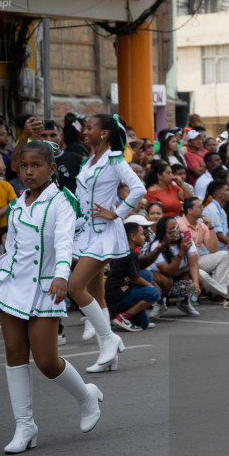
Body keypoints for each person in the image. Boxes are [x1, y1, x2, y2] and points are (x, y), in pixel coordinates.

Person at [0, 140, 103, 453]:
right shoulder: (16, 204)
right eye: (24, 166)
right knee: (14, 356)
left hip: (45, 287)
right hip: (13, 287)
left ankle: (86, 396)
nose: (29, 172)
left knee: (46, 362)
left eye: (37, 166)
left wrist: (61, 275)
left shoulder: (62, 201)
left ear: (52, 169)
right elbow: (13, 253)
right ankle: (25, 426)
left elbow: (64, 242)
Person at [68, 114, 146, 373]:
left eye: (90, 127)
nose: (85, 130)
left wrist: (118, 212)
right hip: (87, 232)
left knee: (75, 286)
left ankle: (110, 338)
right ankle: (108, 354)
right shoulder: (88, 161)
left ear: (104, 133)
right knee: (96, 292)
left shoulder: (114, 160)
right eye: (85, 127)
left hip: (105, 233)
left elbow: (138, 189)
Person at [104, 222, 161, 340]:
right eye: (141, 234)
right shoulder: (131, 254)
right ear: (133, 237)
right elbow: (136, 279)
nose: (144, 237)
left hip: (114, 294)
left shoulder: (121, 250)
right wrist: (152, 287)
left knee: (143, 324)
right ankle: (122, 317)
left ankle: (118, 313)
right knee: (154, 293)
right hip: (117, 296)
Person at [177, 196, 229, 300]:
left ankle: (219, 294)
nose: (202, 209)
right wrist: (196, 265)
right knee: (203, 276)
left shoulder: (201, 225)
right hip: (185, 262)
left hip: (199, 259)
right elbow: (184, 253)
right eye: (199, 207)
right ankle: (226, 295)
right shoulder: (179, 224)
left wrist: (210, 227)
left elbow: (213, 249)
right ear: (189, 210)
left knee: (225, 255)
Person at [147, 216, 202, 316]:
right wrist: (181, 252)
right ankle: (160, 303)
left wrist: (196, 283)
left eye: (176, 227)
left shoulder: (185, 240)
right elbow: (168, 272)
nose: (175, 231)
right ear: (164, 232)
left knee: (199, 279)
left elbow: (193, 265)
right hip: (163, 278)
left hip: (180, 275)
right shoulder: (157, 245)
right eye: (171, 229)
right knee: (163, 280)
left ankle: (184, 303)